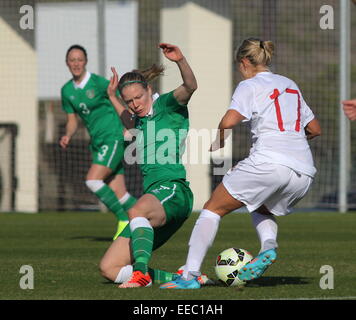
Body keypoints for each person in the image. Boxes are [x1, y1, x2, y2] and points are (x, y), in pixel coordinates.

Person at [160, 38, 321, 289]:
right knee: (261, 206)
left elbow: (228, 122)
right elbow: (314, 129)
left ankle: (189, 275)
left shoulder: (249, 86)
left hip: (269, 163)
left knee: (212, 208)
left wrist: (219, 142)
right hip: (304, 172)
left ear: (245, 62)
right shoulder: (290, 84)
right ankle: (268, 247)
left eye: (238, 66)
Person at [99, 43, 209, 288]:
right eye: (129, 101)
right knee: (109, 268)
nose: (135, 104)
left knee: (136, 210)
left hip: (174, 190)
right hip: (154, 199)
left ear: (150, 90)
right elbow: (126, 117)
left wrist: (180, 60)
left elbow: (191, 86)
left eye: (139, 97)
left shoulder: (167, 106)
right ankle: (183, 278)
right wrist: (111, 96)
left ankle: (140, 275)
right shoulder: (137, 120)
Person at [60, 44, 136, 239]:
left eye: (79, 59)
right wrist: (68, 135)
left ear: (85, 61)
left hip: (113, 138)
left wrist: (127, 126)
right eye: (72, 60)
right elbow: (72, 120)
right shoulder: (67, 91)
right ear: (67, 63)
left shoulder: (99, 83)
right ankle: (149, 217)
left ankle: (124, 219)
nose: (76, 63)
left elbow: (122, 100)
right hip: (97, 142)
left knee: (93, 180)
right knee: (120, 194)